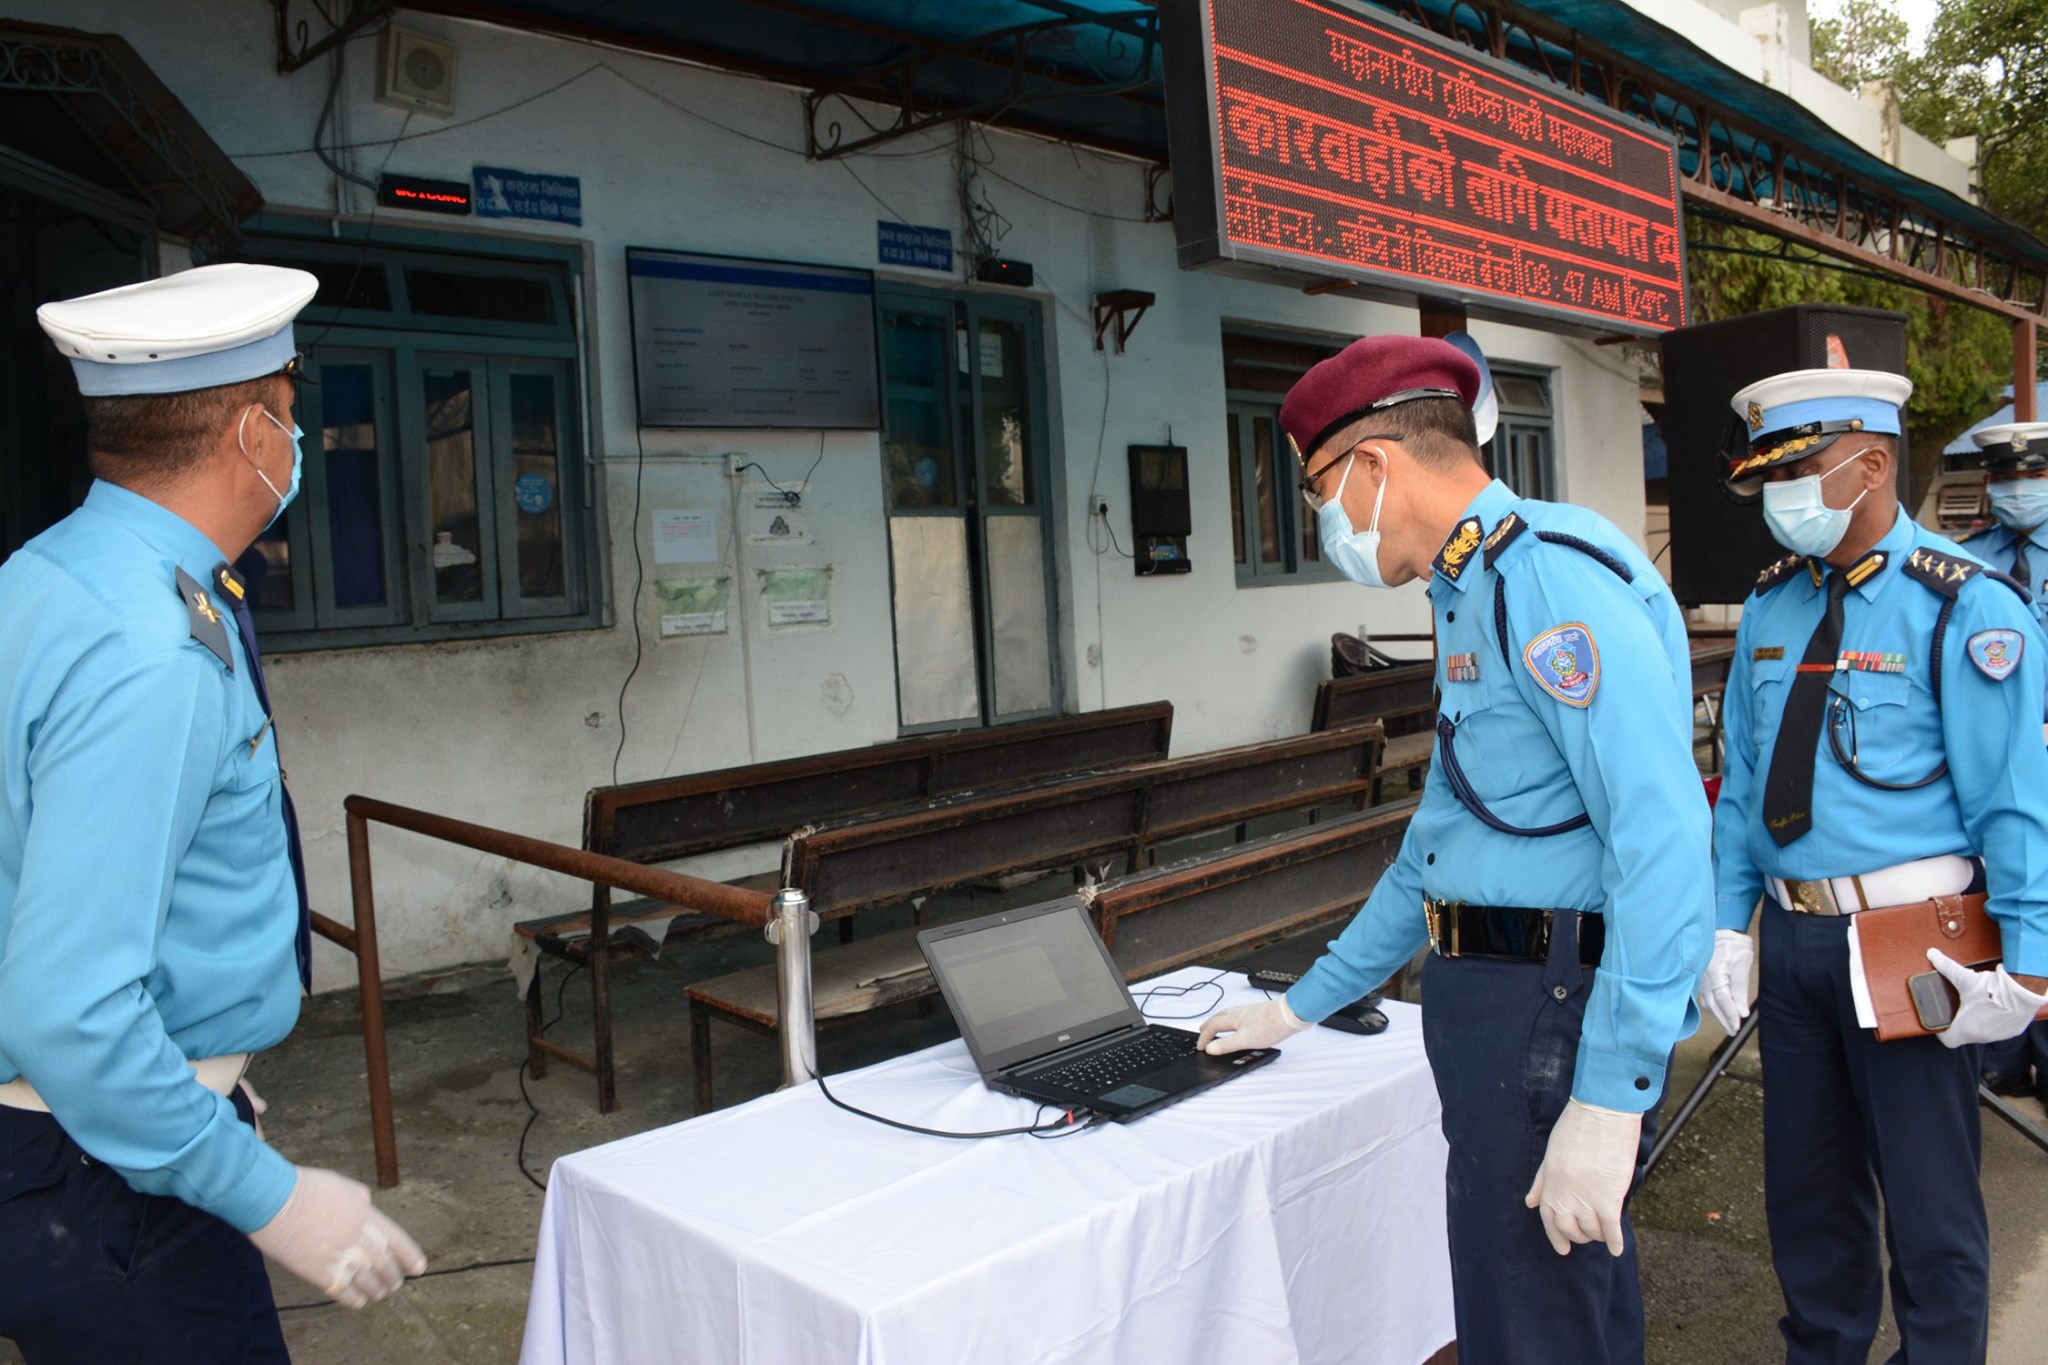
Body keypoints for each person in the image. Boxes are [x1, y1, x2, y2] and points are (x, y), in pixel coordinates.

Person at [1198, 334, 1713, 1365]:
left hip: (1548, 1013)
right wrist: (1298, 1006)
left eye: (1318, 492)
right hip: (1499, 1005)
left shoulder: (1543, 581)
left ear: (1372, 465)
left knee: (1531, 1329)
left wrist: (1609, 1095)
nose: (1325, 522)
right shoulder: (1470, 588)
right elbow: (1436, 849)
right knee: (1536, 1317)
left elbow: (1659, 839)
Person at [0, 264, 425, 1362]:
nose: (296, 436)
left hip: (77, 1143)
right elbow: (71, 1008)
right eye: (290, 406)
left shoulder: (47, 577)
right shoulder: (151, 651)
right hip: (101, 1171)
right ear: (252, 434)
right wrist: (263, 1193)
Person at [1695, 370, 2048, 1363]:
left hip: (1911, 946)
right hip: (1792, 940)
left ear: (1873, 463)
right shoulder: (1772, 604)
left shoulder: (1964, 605)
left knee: (1930, 1210)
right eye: (1768, 478)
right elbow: (1744, 782)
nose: (1780, 497)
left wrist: (2028, 967)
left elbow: (2014, 804)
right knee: (1806, 1199)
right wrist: (1723, 921)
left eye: (1798, 471)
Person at [1949, 420, 2048, 1105]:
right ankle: (2002, 1056)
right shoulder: (1967, 560)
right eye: (2006, 478)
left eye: (2032, 476)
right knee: (1993, 896)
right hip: (1991, 762)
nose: (2017, 489)